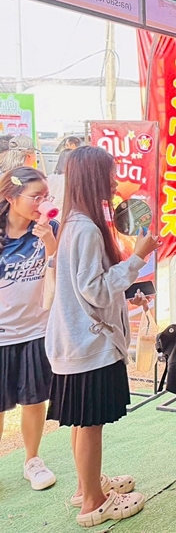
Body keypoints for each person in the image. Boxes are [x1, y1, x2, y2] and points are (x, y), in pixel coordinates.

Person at [45, 147, 160, 528]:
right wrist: (138, 258)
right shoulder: (86, 229)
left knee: (83, 422)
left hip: (74, 342)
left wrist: (128, 289)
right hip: (87, 345)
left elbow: (86, 288)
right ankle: (93, 503)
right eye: (110, 174)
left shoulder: (75, 223)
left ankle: (87, 486)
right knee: (90, 424)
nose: (115, 181)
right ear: (94, 177)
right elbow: (94, 290)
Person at [0, 168, 59, 492]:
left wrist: (49, 240)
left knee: (34, 399)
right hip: (2, 334)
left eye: (46, 196)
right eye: (36, 197)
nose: (43, 203)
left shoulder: (50, 228)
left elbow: (61, 270)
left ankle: (32, 460)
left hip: (36, 330)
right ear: (11, 198)